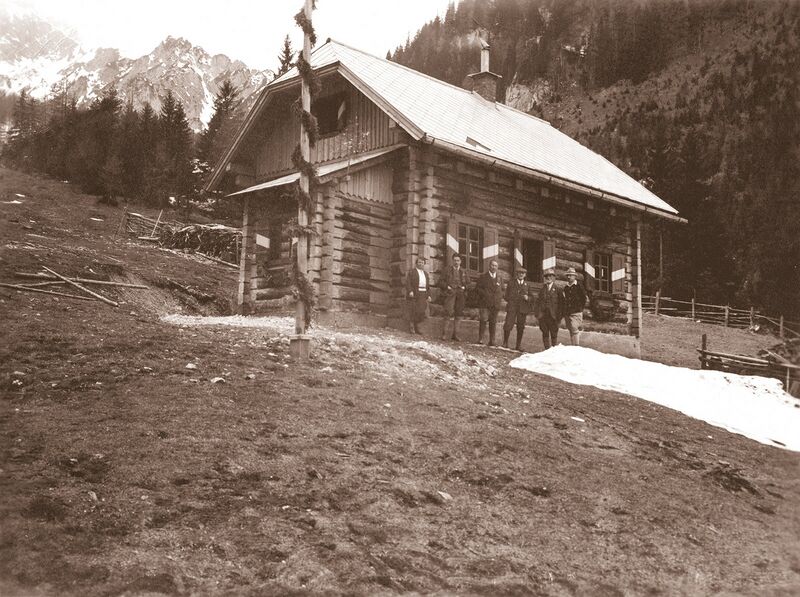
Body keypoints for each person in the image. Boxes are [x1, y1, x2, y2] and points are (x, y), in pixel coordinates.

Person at [503, 267, 533, 351]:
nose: (521, 274)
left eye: (522, 273)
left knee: (520, 327)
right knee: (508, 324)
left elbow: (532, 298)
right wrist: (513, 299)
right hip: (512, 307)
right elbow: (506, 296)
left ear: (525, 275)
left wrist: (528, 298)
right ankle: (505, 343)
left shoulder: (527, 285)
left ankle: (518, 345)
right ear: (517, 274)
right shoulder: (511, 283)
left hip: (522, 309)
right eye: (519, 273)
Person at [441, 254, 469, 341]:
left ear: (460, 261)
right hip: (450, 294)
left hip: (460, 295)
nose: (456, 262)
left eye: (458, 260)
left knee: (458, 314)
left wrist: (464, 287)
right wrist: (447, 287)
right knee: (448, 312)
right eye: (455, 260)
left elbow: (468, 283)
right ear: (452, 261)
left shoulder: (464, 271)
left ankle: (456, 335)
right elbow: (440, 281)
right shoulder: (447, 270)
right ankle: (444, 334)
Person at [476, 259, 503, 346]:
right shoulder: (483, 277)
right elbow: (478, 289)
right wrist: (485, 295)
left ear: (497, 268)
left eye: (495, 266)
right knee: (483, 320)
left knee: (493, 322)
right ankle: (481, 339)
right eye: (492, 265)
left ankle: (492, 341)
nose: (494, 267)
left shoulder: (500, 278)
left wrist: (498, 299)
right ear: (489, 266)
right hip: (485, 303)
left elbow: (502, 291)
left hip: (495, 304)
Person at [536, 268, 564, 349]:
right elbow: (538, 302)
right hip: (543, 316)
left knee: (554, 334)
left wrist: (559, 316)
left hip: (553, 316)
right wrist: (537, 314)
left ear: (553, 278)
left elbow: (562, 304)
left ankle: (553, 352)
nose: (548, 278)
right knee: (545, 333)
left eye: (550, 276)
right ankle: (547, 351)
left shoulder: (558, 289)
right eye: (547, 276)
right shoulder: (542, 289)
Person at [405, 256, 431, 334]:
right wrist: (410, 291)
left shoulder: (425, 274)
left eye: (422, 263)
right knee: (413, 310)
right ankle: (412, 327)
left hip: (423, 293)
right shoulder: (412, 272)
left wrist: (428, 295)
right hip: (415, 293)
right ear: (416, 263)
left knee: (421, 310)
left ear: (424, 264)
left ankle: (417, 327)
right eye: (419, 262)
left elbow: (428, 286)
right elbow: (408, 283)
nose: (420, 264)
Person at [563, 267, 587, 345]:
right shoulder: (566, 287)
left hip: (576, 312)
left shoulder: (579, 286)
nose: (569, 277)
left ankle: (576, 347)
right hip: (567, 312)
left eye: (570, 275)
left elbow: (584, 298)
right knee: (570, 328)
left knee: (574, 327)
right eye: (567, 275)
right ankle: (573, 345)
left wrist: (580, 308)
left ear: (574, 276)